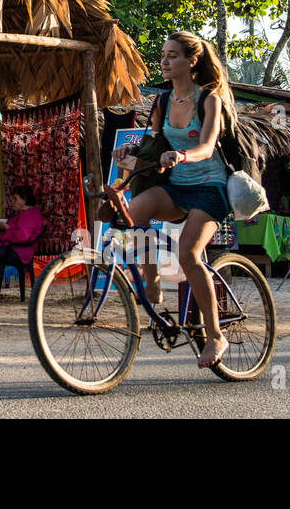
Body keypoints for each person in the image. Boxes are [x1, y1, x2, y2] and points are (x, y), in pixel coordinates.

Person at [113, 31, 234, 369]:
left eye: (172, 56)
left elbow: (208, 146)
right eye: (163, 55)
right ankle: (151, 282)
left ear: (192, 61)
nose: (164, 61)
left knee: (188, 255)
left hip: (210, 187)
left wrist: (182, 155)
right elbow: (150, 141)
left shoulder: (209, 99)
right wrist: (130, 149)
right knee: (131, 213)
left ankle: (215, 336)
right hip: (176, 186)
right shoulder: (162, 102)